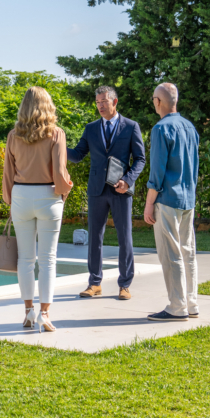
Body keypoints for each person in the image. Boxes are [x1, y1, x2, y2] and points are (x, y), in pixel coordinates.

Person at [2, 86, 73, 332]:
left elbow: (8, 173)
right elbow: (60, 172)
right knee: (48, 259)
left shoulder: (13, 135)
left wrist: (10, 199)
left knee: (25, 259)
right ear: (48, 105)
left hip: (21, 194)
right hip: (48, 195)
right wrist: (65, 189)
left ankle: (28, 311)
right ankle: (45, 314)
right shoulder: (56, 134)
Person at [67, 85, 146, 300]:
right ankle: (94, 283)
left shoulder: (131, 126)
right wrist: (56, 145)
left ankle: (125, 285)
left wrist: (128, 181)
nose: (100, 106)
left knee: (125, 237)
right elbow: (77, 154)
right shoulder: (91, 128)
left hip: (121, 191)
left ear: (115, 102)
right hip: (96, 190)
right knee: (95, 237)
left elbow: (140, 159)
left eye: (104, 101)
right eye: (97, 102)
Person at [143, 83, 200, 321]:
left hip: (167, 199)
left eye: (153, 99)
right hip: (188, 199)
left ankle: (177, 307)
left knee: (171, 254)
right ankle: (191, 303)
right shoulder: (190, 127)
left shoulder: (160, 129)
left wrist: (148, 204)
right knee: (188, 252)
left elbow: (156, 172)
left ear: (158, 102)